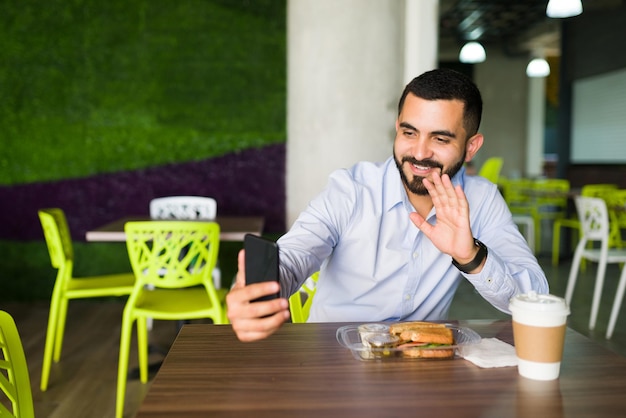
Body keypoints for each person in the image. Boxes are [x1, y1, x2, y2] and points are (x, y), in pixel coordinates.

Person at [227, 68, 548, 342]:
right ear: (398, 128)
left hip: (420, 368)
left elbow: (534, 299)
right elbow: (297, 254)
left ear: (471, 147)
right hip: (333, 361)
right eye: (410, 133)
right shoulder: (352, 189)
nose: (419, 153)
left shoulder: (481, 200)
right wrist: (259, 292)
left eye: (440, 139)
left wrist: (471, 256)